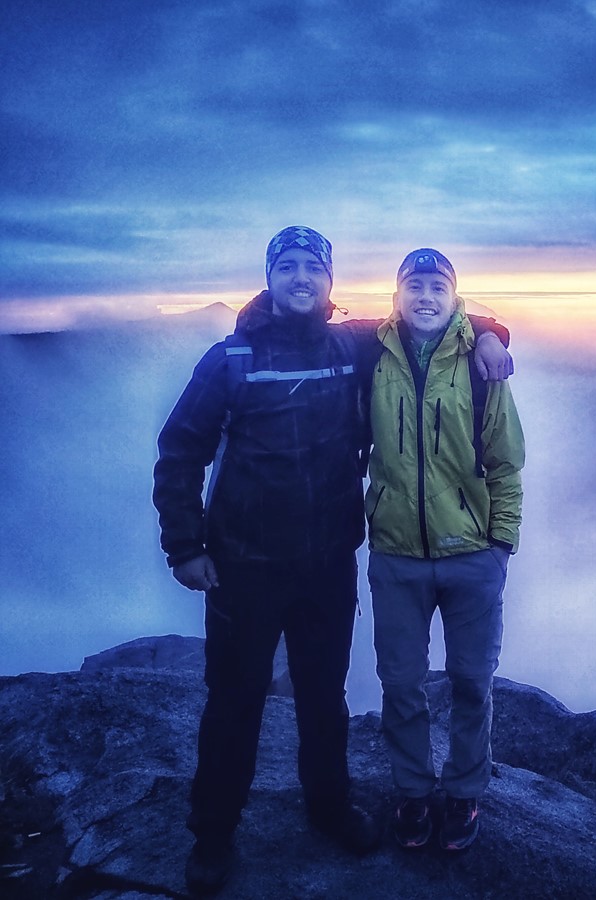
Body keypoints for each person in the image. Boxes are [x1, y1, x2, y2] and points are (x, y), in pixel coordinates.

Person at [152, 227, 513, 895]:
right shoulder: (230, 357)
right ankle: (211, 835)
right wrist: (186, 547)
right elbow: (180, 453)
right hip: (243, 566)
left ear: (329, 282)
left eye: (310, 268)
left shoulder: (353, 347)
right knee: (234, 700)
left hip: (326, 564)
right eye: (285, 267)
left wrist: (491, 331)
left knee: (324, 698)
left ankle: (327, 808)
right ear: (270, 277)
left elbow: (427, 320)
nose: (299, 278)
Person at [367, 248, 523, 853]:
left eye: (437, 285)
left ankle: (463, 793)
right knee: (401, 683)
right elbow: (291, 321)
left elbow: (507, 462)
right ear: (397, 295)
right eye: (414, 285)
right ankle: (412, 792)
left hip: (472, 555)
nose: (425, 295)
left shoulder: (483, 367)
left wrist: (501, 544)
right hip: (397, 554)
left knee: (471, 681)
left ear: (455, 295)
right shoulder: (371, 356)